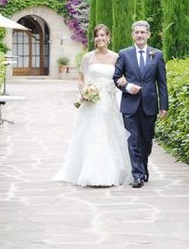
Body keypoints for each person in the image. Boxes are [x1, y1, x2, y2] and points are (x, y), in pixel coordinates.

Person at [53, 24, 133, 187]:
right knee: (91, 134)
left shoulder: (116, 57)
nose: (100, 38)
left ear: (109, 38)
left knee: (107, 134)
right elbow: (81, 77)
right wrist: (83, 91)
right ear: (94, 39)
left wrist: (124, 80)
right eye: (97, 36)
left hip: (108, 101)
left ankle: (108, 174)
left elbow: (122, 77)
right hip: (91, 101)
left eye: (103, 35)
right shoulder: (87, 57)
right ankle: (89, 173)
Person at [113, 20, 168, 188]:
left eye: (142, 32)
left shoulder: (157, 55)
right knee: (133, 140)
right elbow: (116, 77)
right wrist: (128, 87)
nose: (139, 35)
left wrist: (164, 105)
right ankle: (137, 174)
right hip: (130, 105)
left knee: (147, 140)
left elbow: (162, 83)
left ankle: (143, 166)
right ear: (132, 35)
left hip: (150, 105)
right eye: (136, 32)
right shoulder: (124, 54)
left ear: (148, 35)